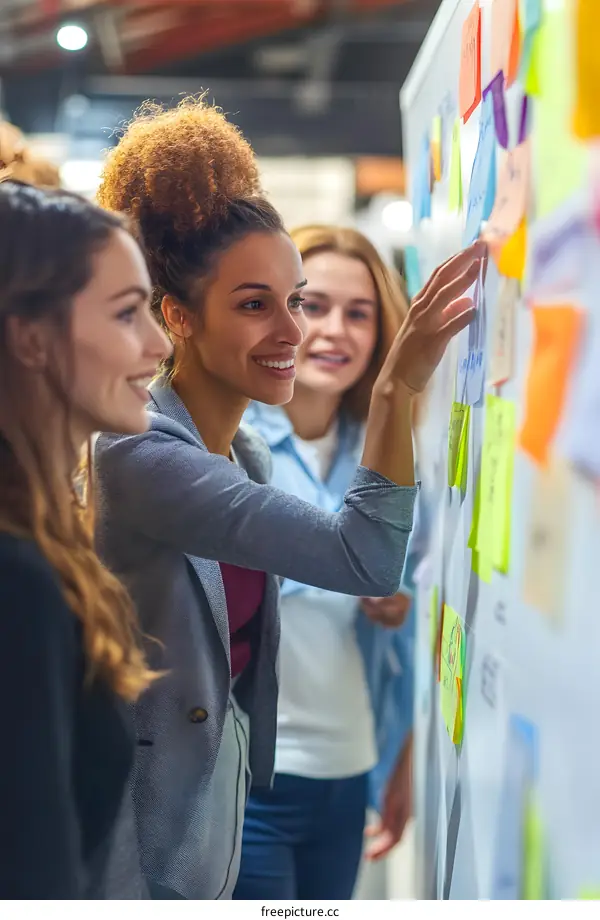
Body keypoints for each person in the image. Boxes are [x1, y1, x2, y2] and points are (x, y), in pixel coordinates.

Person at [93, 97, 485, 900]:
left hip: (219, 818)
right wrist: (396, 388)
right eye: (254, 304)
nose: (294, 331)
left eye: (293, 299)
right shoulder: (139, 453)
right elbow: (365, 559)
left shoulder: (245, 452)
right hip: (135, 849)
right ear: (178, 317)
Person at [233, 224, 420, 900]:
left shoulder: (389, 456)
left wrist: (406, 761)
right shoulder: (231, 444)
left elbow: (420, 623)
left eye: (359, 313)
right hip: (248, 776)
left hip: (349, 769)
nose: (335, 331)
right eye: (313, 305)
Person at [0, 180, 171, 898]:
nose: (160, 344)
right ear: (31, 338)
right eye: (127, 313)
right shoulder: (17, 577)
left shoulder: (40, 535)